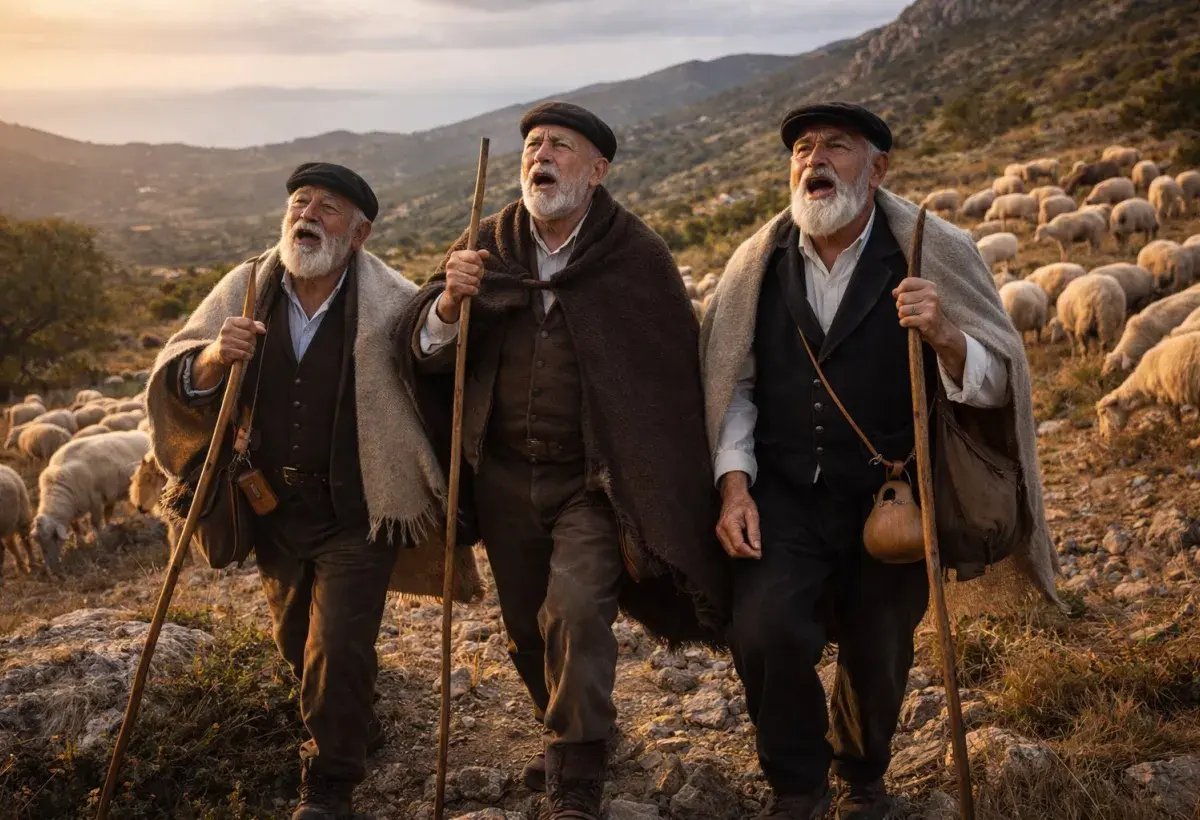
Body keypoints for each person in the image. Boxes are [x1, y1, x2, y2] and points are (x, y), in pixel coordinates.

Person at [699, 103, 1058, 819]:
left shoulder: (932, 251)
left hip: (893, 495)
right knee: (766, 631)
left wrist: (949, 335)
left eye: (837, 146)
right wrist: (734, 485)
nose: (815, 160)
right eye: (803, 148)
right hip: (783, 493)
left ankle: (863, 776)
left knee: (880, 649)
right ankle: (796, 785)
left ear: (877, 166)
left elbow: (999, 381)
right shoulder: (756, 265)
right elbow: (733, 385)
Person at [396, 102, 729, 820]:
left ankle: (577, 772)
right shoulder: (488, 245)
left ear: (597, 169)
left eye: (560, 146)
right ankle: (574, 727)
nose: (540, 156)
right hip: (503, 478)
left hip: (592, 483)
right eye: (534, 145)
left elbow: (670, 377)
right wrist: (450, 303)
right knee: (524, 628)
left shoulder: (634, 256)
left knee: (575, 612)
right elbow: (421, 352)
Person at [147, 163, 479, 820]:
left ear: (358, 234)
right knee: (298, 641)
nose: (308, 215)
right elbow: (181, 374)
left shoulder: (387, 297)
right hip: (272, 506)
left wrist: (447, 304)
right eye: (301, 202)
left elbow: (430, 347)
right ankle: (356, 722)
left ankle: (328, 787)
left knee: (338, 644)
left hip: (359, 510)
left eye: (328, 209)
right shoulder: (245, 286)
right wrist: (216, 356)